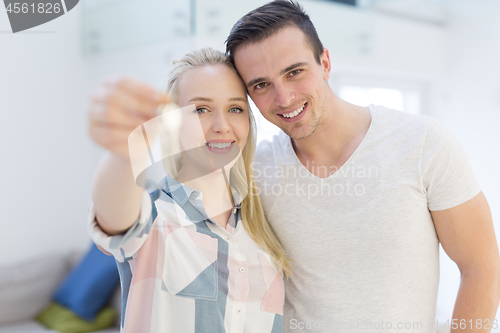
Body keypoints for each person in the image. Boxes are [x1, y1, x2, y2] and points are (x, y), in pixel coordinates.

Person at [224, 1, 500, 332]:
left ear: (325, 62)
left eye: (294, 72)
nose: (283, 98)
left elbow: (481, 266)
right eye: (261, 84)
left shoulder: (423, 143)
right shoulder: (254, 168)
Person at [87, 48, 291, 332]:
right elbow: (113, 211)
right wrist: (123, 152)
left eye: (235, 109)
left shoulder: (264, 222)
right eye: (201, 110)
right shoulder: (155, 215)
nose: (222, 126)